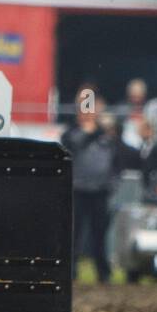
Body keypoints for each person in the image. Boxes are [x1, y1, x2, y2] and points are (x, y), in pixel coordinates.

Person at [62, 100, 119, 283]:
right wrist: (87, 131)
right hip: (78, 189)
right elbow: (70, 143)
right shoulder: (71, 134)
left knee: (99, 234)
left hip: (100, 191)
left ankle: (103, 272)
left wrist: (112, 183)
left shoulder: (106, 135)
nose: (87, 116)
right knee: (74, 233)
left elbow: (117, 158)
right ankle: (71, 272)